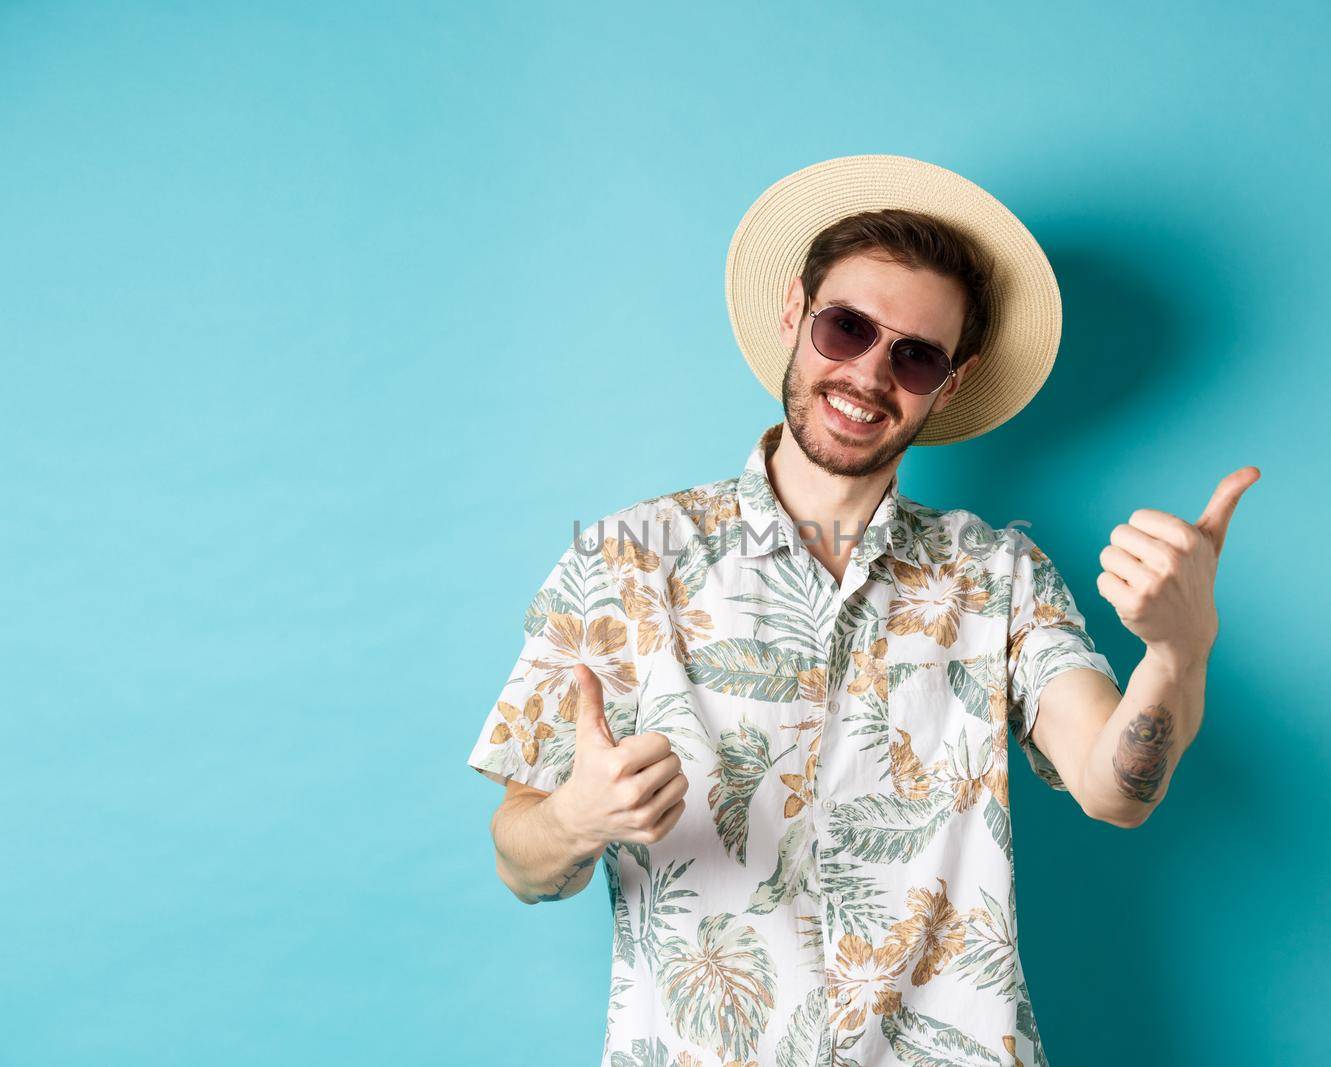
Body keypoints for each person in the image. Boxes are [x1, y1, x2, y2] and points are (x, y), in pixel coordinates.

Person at [465, 154, 1259, 1067]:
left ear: (948, 385)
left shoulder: (1000, 572)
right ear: (794, 316)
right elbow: (519, 858)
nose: (869, 373)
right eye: (847, 327)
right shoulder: (624, 559)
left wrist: (1178, 650)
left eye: (915, 355)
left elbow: (1116, 790)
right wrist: (577, 816)